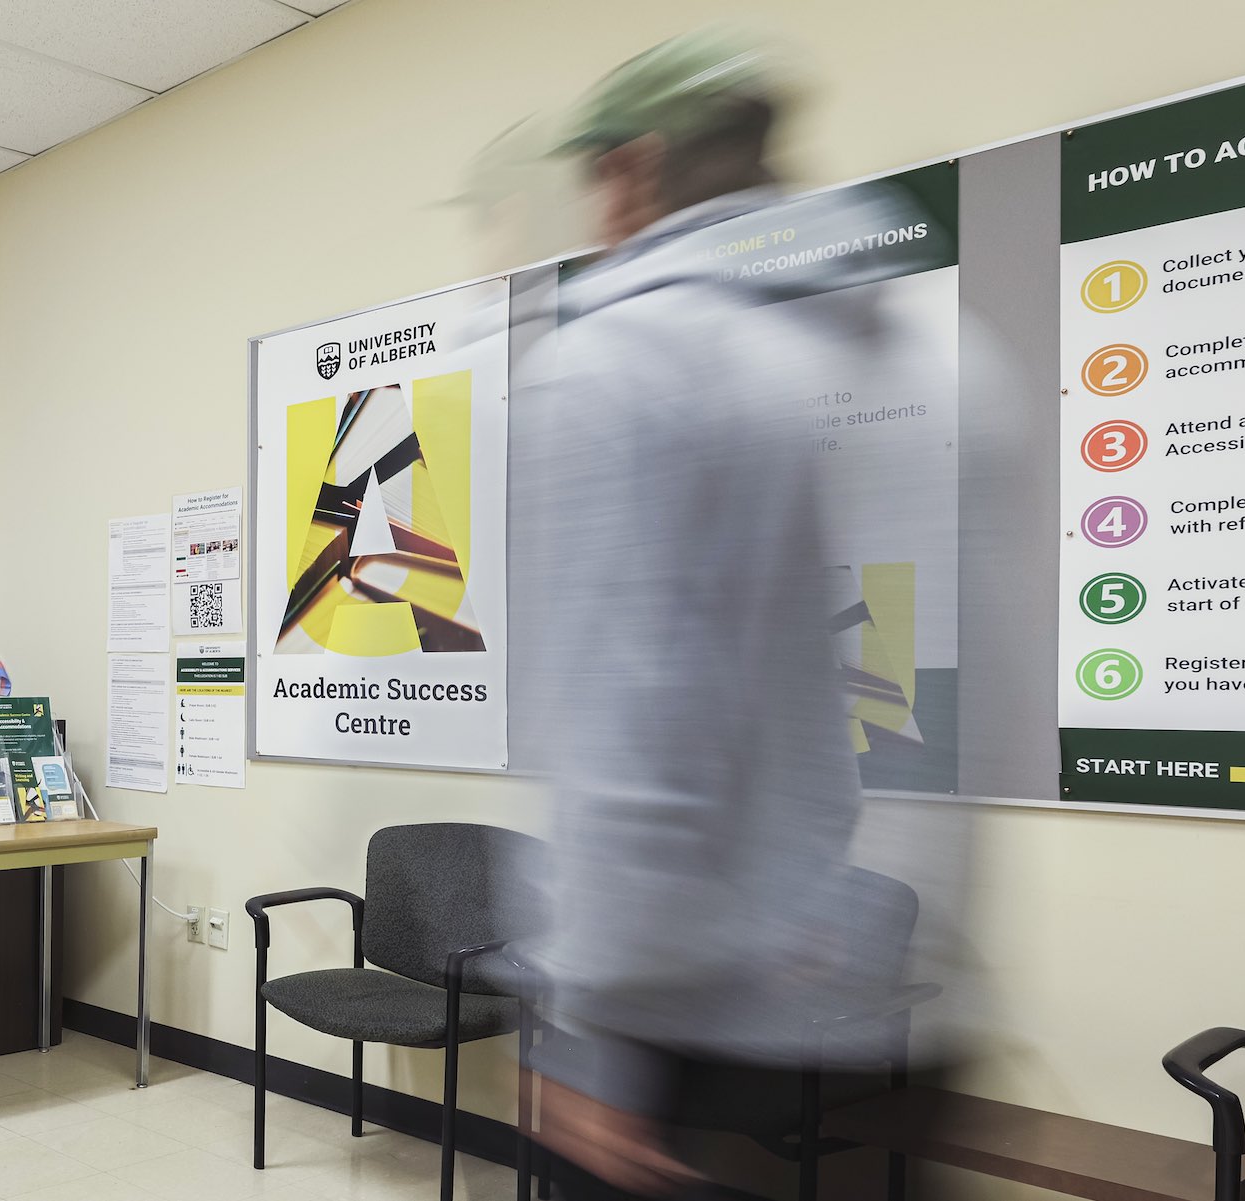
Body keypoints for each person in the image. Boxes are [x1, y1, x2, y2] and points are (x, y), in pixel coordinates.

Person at [511, 31, 957, 1200]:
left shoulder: (622, 357)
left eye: (595, 178)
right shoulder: (876, 344)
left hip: (664, 1004)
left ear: (636, 167)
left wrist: (592, 1032)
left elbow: (632, 722)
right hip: (813, 971)